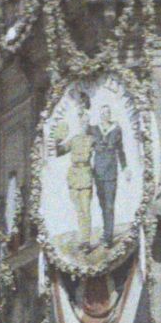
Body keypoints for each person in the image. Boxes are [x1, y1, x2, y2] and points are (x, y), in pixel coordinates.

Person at [54, 102, 98, 247]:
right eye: (81, 122)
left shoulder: (92, 139)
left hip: (85, 174)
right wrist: (58, 139)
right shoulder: (74, 139)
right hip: (74, 176)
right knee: (79, 210)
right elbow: (59, 152)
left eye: (86, 122)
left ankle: (86, 240)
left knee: (86, 209)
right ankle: (83, 239)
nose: (83, 124)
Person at [88, 102, 129, 245]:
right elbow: (85, 144)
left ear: (110, 114)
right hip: (98, 172)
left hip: (111, 172)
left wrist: (125, 167)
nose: (105, 115)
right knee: (102, 204)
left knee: (110, 205)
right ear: (100, 115)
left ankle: (108, 237)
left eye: (107, 113)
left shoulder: (116, 129)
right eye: (102, 113)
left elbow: (121, 150)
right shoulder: (94, 129)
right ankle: (106, 231)